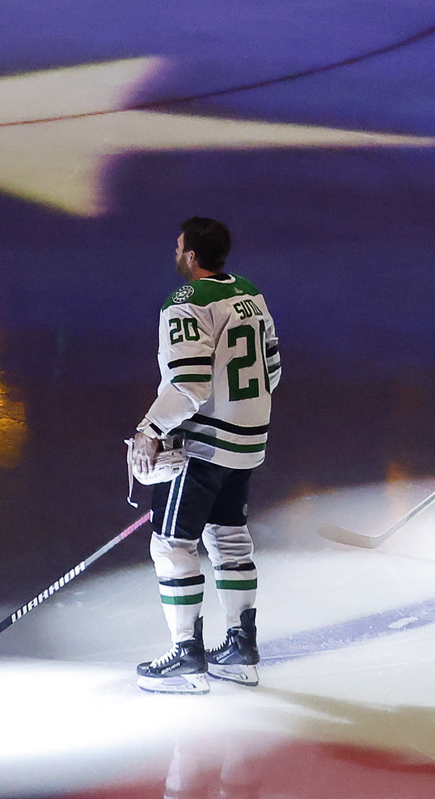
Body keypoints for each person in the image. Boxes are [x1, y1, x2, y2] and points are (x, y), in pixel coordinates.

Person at [129, 214, 278, 693]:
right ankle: (240, 649)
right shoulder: (250, 292)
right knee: (229, 535)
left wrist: (150, 428)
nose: (175, 254)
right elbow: (272, 366)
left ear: (192, 255)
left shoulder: (185, 303)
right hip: (248, 439)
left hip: (204, 445)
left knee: (172, 544)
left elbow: (188, 383)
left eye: (178, 247)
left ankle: (186, 658)